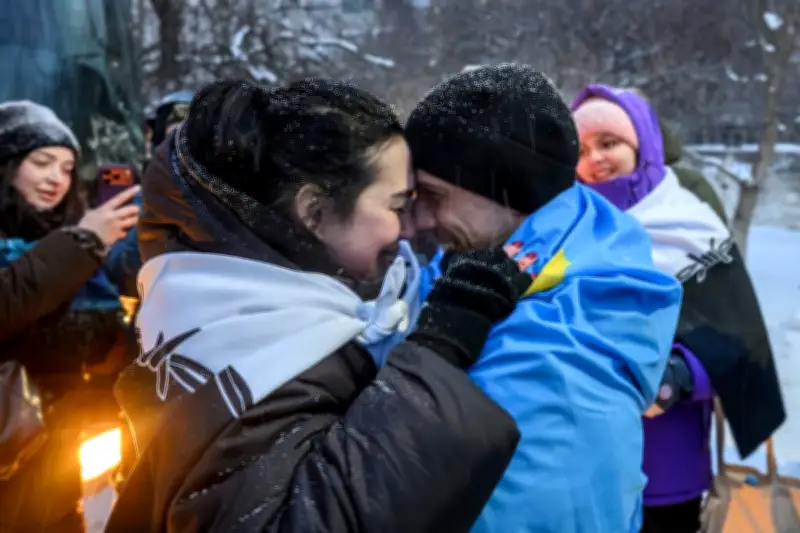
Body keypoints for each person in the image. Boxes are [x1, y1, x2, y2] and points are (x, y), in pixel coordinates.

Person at [106, 78, 532, 533]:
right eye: (397, 206)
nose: (410, 229)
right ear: (314, 213)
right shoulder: (255, 359)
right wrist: (439, 349)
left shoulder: (241, 316)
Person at [404, 64, 684, 533]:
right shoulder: (573, 241)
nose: (415, 222)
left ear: (505, 187)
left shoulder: (553, 369)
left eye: (433, 195)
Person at [571, 84, 785, 533]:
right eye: (581, 148)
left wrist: (681, 377)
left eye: (609, 143)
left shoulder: (690, 224)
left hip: (666, 469)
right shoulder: (565, 224)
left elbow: (739, 343)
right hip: (581, 467)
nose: (594, 161)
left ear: (643, 145)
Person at [0, 100, 140, 532]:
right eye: (42, 162)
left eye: (66, 168)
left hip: (68, 461)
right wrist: (82, 244)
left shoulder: (79, 239)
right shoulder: (76, 243)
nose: (55, 179)